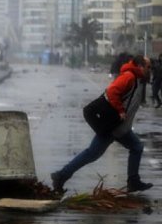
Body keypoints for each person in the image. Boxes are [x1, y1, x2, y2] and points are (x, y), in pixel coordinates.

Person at [51, 55, 154, 194]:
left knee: (135, 147)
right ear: (140, 66)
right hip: (113, 125)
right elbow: (112, 92)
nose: (150, 69)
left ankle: (133, 181)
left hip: (121, 127)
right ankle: (61, 175)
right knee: (92, 154)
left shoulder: (138, 79)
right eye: (148, 67)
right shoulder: (129, 77)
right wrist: (120, 110)